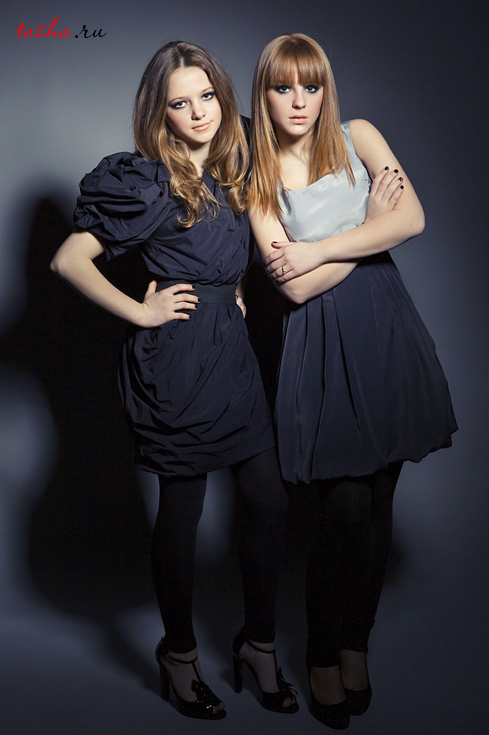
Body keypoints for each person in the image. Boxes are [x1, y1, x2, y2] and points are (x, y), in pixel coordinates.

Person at [50, 40, 298, 720]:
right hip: (177, 363)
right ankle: (179, 654)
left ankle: (258, 643)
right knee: (183, 514)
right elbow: (68, 259)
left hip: (232, 356)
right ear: (159, 113)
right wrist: (141, 311)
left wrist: (233, 287)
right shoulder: (147, 183)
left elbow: (231, 247)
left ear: (221, 96)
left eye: (207, 96)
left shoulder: (234, 167)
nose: (199, 113)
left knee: (268, 499)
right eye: (180, 103)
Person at [248, 33, 457, 729]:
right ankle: (320, 653)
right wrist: (370, 228)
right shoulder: (257, 174)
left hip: (386, 328)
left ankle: (355, 645)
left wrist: (319, 249)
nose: (298, 101)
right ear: (265, 94)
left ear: (325, 89)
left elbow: (413, 219)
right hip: (320, 344)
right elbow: (293, 289)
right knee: (340, 513)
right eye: (283, 87)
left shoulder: (359, 135)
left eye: (310, 86)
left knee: (378, 505)